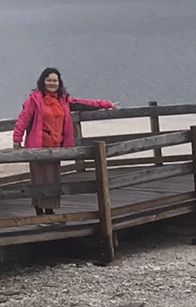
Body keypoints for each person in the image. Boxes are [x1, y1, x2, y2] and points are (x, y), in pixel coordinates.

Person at [12, 68, 118, 214]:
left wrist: (106, 104)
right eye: (49, 80)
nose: (52, 83)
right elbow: (23, 119)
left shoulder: (63, 99)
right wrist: (17, 138)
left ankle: (49, 211)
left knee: (53, 178)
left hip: (56, 146)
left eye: (55, 80)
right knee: (39, 179)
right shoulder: (34, 100)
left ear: (59, 83)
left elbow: (84, 103)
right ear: (42, 81)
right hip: (38, 147)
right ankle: (41, 211)